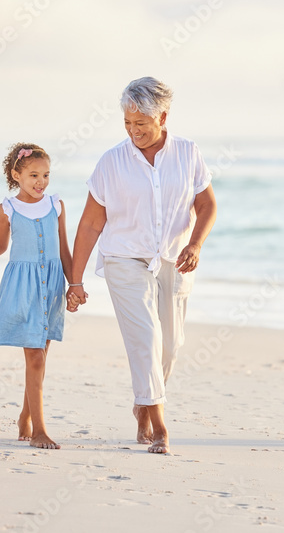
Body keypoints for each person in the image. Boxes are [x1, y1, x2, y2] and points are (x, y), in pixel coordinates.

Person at [68, 77, 217, 455]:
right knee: (146, 339)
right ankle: (159, 425)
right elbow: (90, 224)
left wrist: (196, 244)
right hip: (124, 258)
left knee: (170, 346)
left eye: (142, 124)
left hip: (175, 258)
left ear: (163, 116)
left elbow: (207, 206)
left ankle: (143, 402)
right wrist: (76, 280)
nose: (134, 131)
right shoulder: (111, 162)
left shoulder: (187, 153)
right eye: (128, 124)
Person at [0, 144, 74, 450]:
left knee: (41, 356)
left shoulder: (56, 205)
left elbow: (64, 250)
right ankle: (39, 429)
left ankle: (25, 415)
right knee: (35, 356)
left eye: (46, 175)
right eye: (34, 175)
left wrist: (74, 284)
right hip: (23, 287)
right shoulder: (7, 209)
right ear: (17, 175)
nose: (41, 182)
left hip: (51, 286)